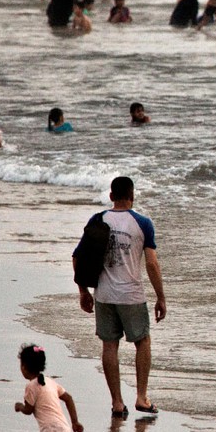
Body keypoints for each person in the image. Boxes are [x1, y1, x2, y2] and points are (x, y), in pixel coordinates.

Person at [74, 176, 168, 418]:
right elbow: (152, 264)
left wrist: (83, 291)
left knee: (109, 345)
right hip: (132, 295)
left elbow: (78, 257)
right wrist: (161, 297)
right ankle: (141, 397)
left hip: (104, 295)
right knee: (143, 342)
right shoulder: (143, 223)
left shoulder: (98, 219)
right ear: (133, 196)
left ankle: (117, 403)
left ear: (111, 196)